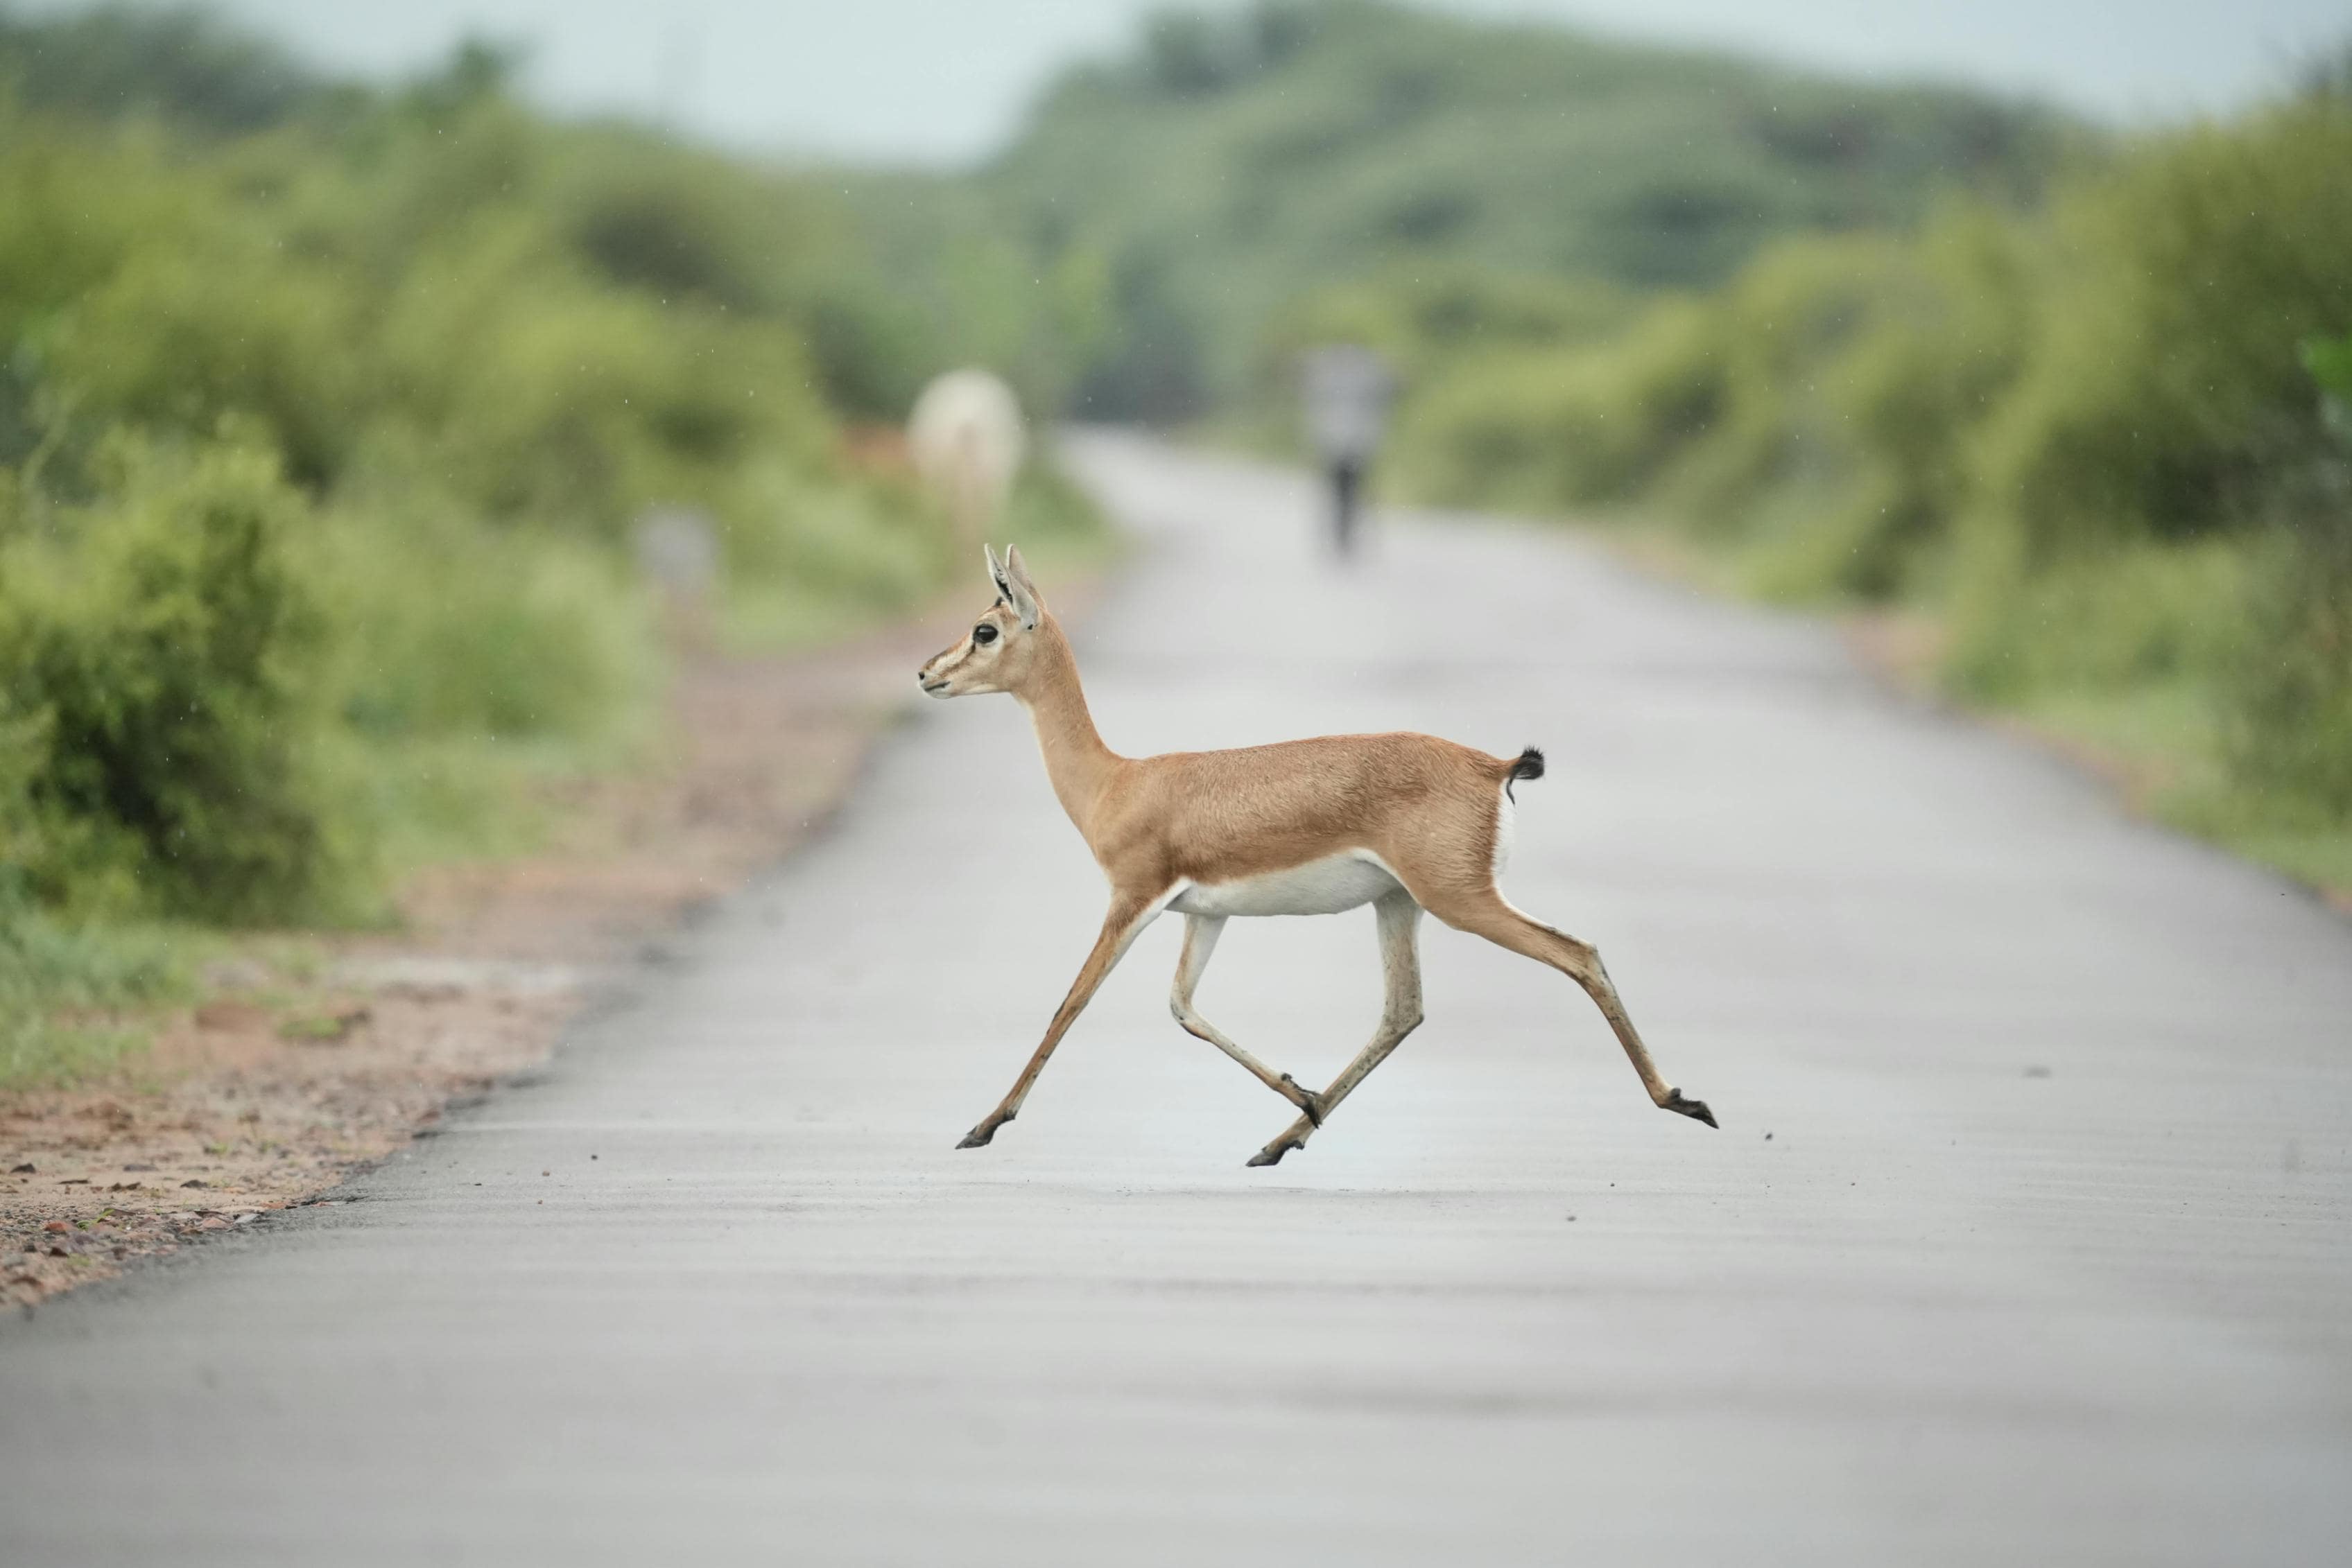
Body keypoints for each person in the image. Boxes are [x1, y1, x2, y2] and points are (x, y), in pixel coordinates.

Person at [1300, 343, 1395, 557]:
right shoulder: (1337, 380)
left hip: (1353, 448)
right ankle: (1341, 536)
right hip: (1341, 447)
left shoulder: (1348, 381)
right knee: (1340, 493)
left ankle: (1347, 536)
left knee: (1350, 493)